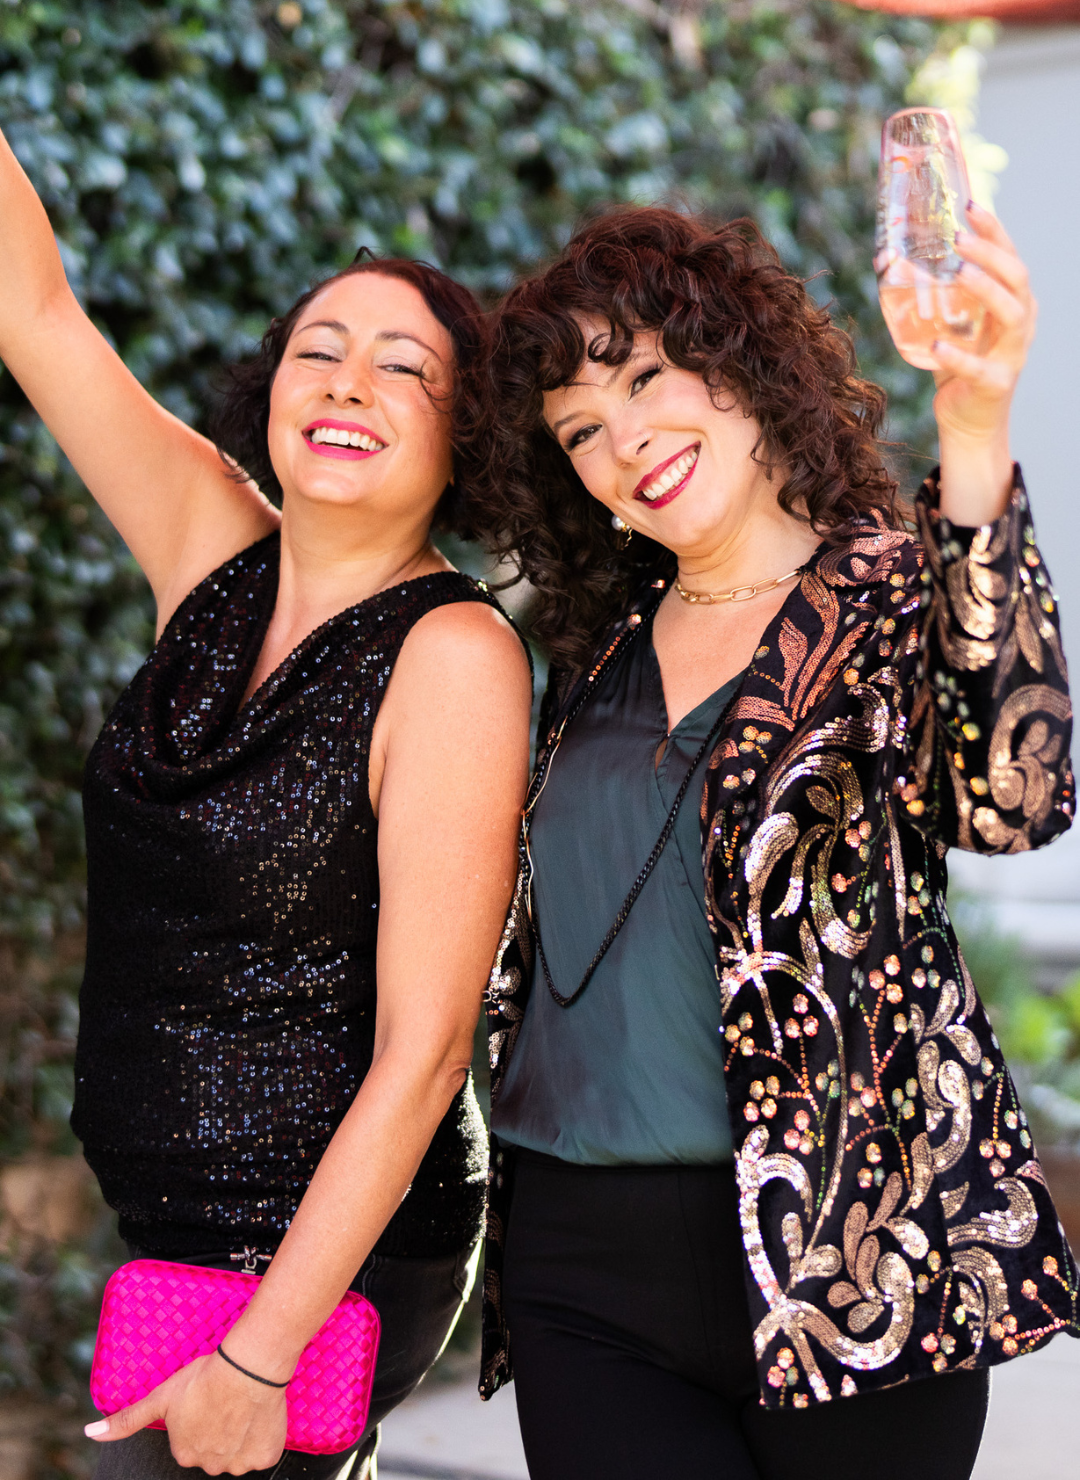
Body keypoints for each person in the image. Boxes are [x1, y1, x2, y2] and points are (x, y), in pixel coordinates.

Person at [474, 205, 1078, 1480]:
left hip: (853, 1241)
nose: (624, 439)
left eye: (644, 376)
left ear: (741, 364)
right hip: (582, 1253)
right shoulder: (592, 655)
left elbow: (1019, 792)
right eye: (581, 428)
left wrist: (974, 419)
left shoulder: (889, 595)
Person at [0, 125, 532, 1479]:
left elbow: (422, 1052)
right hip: (171, 1231)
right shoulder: (209, 549)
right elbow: (37, 313)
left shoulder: (454, 657)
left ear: (459, 434)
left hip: (325, 1264)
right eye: (321, 350)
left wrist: (260, 1354)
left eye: (403, 368)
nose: (350, 381)